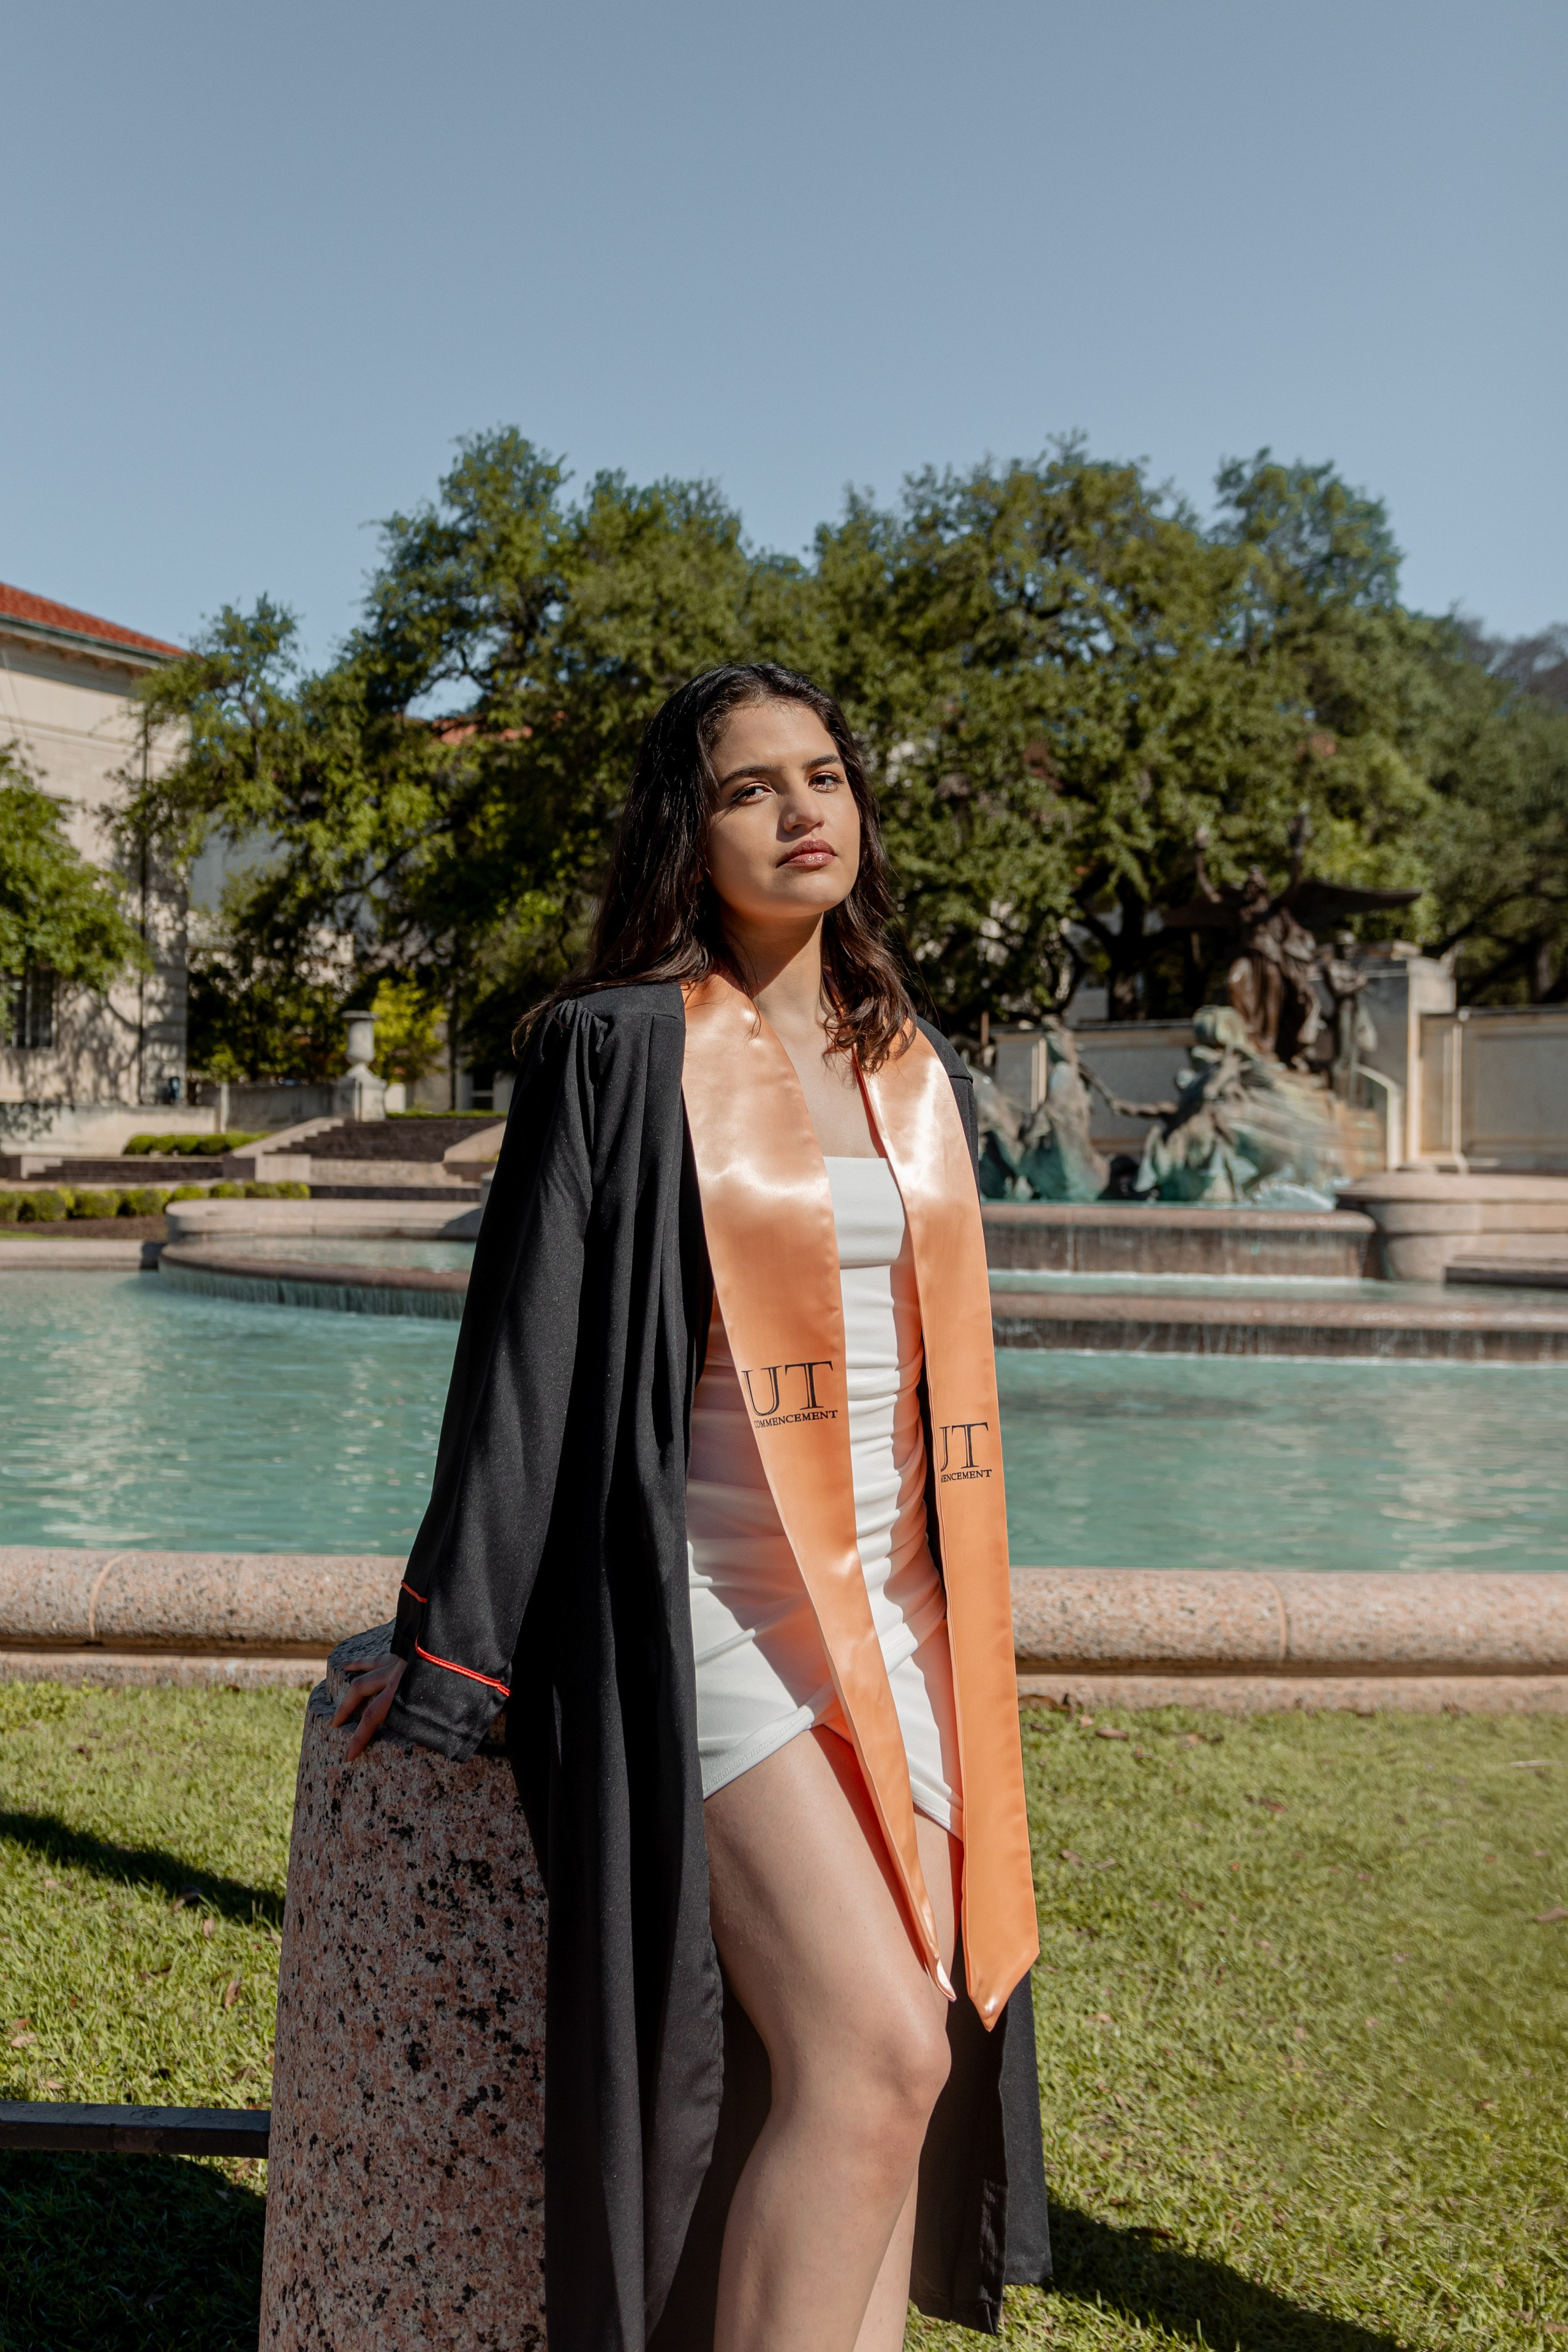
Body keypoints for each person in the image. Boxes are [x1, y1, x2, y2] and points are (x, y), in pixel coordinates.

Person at [334, 663, 1050, 2352]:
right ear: (688, 830)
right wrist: (447, 1638)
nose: (803, 811)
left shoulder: (910, 1065)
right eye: (750, 788)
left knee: (913, 2060)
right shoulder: (617, 1045)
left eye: (826, 775)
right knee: (875, 2045)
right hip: (704, 1604)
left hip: (898, 1605)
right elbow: (524, 1361)